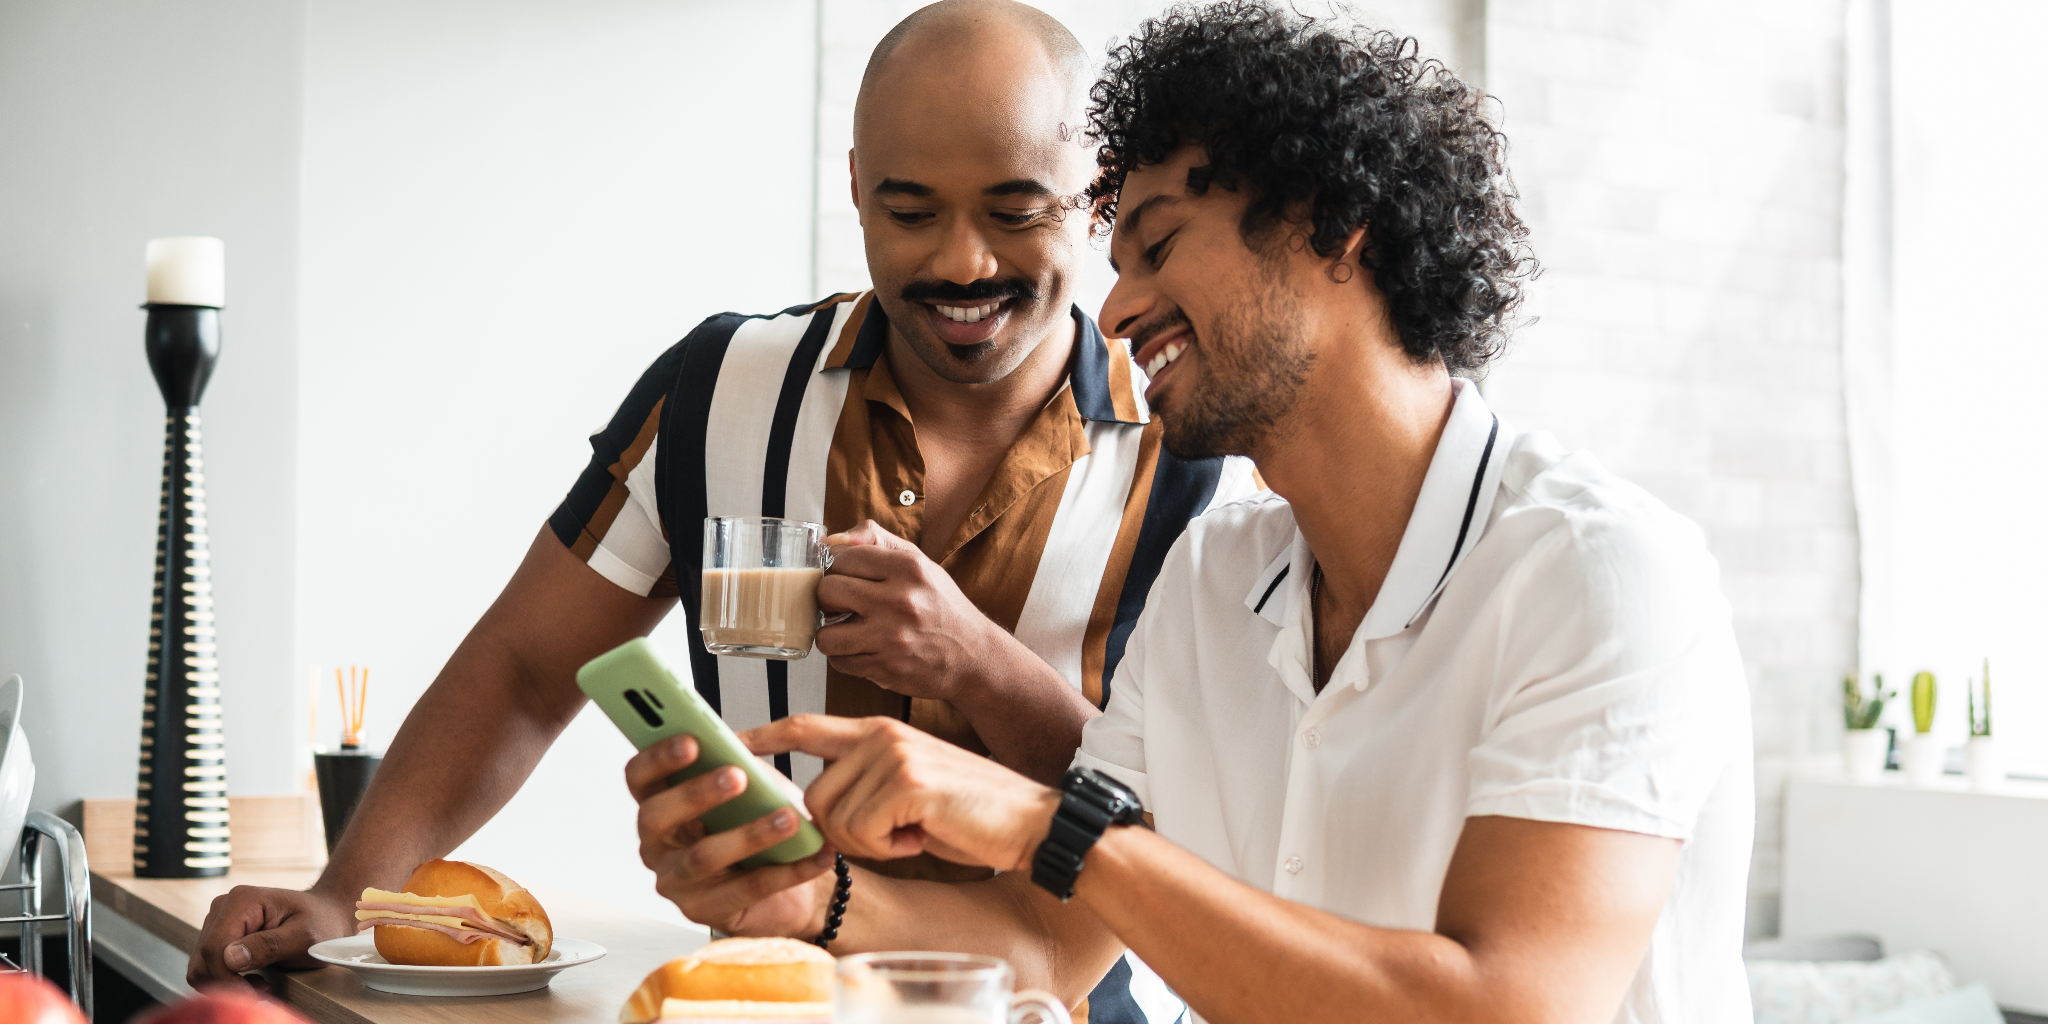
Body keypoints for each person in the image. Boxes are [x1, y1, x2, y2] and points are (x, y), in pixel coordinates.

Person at [629, 5, 1755, 1023]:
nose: (1112, 311)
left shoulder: (1594, 572)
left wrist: (1037, 824)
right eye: (1113, 262)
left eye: (1158, 245)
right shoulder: (1216, 576)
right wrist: (809, 894)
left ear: (1333, 227)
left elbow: (1500, 1006)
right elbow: (1052, 947)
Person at [187, 5, 1255, 1021]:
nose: (959, 262)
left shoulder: (1202, 449)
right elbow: (522, 666)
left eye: (1016, 213)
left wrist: (972, 661)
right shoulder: (719, 389)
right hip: (762, 1001)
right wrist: (347, 898)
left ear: (1094, 193)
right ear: (852, 188)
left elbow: (1180, 830)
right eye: (909, 211)